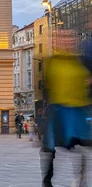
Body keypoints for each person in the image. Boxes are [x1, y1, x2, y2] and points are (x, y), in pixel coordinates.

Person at [40, 29, 92, 186]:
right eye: (61, 38)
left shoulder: (83, 61)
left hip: (79, 109)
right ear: (55, 42)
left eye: (69, 38)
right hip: (58, 110)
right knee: (50, 148)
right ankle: (47, 180)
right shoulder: (51, 62)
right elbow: (47, 88)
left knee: (82, 144)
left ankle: (81, 178)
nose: (66, 41)